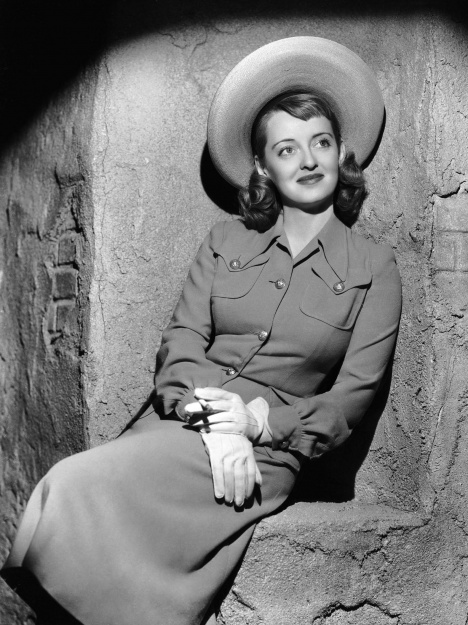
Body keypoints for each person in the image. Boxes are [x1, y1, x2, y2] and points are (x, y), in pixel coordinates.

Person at [1, 37, 402, 625]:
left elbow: (352, 398)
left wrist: (256, 424)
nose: (308, 161)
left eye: (321, 142)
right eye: (286, 149)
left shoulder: (374, 267)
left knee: (79, 492)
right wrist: (218, 424)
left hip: (270, 451)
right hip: (185, 423)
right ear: (263, 167)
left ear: (342, 152)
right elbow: (182, 342)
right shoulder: (225, 241)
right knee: (70, 484)